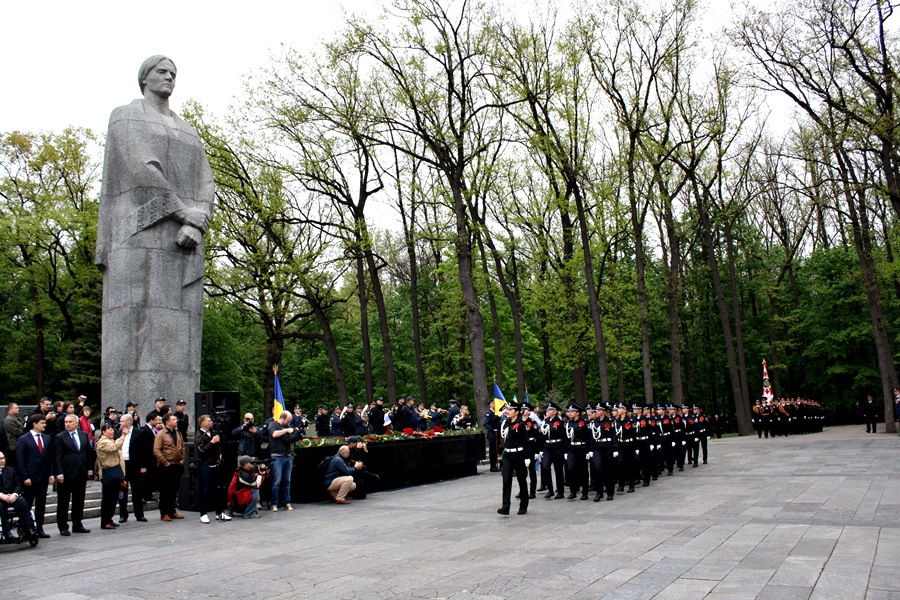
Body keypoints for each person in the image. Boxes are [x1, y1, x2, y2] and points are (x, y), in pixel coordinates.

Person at [54, 414, 93, 535]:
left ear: (77, 423)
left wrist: (90, 469)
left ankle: (77, 523)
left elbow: (88, 453)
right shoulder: (60, 437)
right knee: (63, 501)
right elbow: (57, 457)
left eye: (70, 422)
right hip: (66, 474)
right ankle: (63, 526)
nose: (67, 424)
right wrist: (59, 473)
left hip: (81, 473)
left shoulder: (83, 435)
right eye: (66, 422)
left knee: (79, 499)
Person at [16, 414, 53, 538]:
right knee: (27, 504)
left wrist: (51, 473)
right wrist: (24, 476)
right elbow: (20, 460)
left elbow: (49, 458)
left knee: (41, 504)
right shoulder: (24, 439)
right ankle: (27, 528)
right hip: (30, 478)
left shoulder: (47, 438)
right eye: (42, 423)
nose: (45, 425)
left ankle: (40, 528)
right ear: (34, 423)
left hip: (43, 476)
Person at [195, 414, 230, 523]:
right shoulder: (199, 435)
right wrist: (211, 442)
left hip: (215, 465)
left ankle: (219, 512)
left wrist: (219, 452)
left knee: (218, 489)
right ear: (203, 423)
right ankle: (203, 513)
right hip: (205, 466)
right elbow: (201, 451)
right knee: (204, 490)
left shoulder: (213, 433)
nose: (211, 422)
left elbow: (218, 446)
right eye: (209, 421)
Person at [497, 402, 529, 515]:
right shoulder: (505, 422)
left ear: (517, 412)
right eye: (507, 409)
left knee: (521, 480)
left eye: (511, 410)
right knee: (506, 479)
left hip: (519, 454)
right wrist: (499, 415)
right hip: (507, 455)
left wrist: (526, 457)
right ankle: (505, 507)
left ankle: (523, 505)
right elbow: (491, 424)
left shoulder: (521, 424)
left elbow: (525, 441)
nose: (508, 411)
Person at [152, 413, 185, 521]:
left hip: (177, 464)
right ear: (167, 422)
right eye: (173, 419)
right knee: (165, 490)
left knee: (174, 489)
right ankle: (164, 512)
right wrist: (164, 461)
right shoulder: (161, 434)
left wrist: (182, 458)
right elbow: (156, 450)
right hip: (167, 465)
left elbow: (182, 447)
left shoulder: (178, 432)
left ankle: (172, 510)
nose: (176, 420)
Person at [268, 411, 302, 511]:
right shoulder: (272, 424)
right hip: (277, 456)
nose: (288, 423)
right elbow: (274, 434)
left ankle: (287, 502)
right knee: (277, 481)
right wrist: (287, 430)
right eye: (288, 420)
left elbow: (290, 438)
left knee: (287, 481)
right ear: (282, 418)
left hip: (287, 455)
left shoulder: (287, 426)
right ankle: (274, 503)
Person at [0, 451, 37, 544]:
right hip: (1, 499)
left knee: (23, 503)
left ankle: (27, 527)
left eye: (3, 458)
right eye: (0, 459)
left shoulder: (10, 470)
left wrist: (14, 494)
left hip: (11, 496)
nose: (2, 461)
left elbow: (17, 484)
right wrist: (2, 496)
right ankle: (7, 531)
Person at [95, 423, 126, 530]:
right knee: (108, 499)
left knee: (113, 498)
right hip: (108, 472)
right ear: (103, 432)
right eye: (109, 429)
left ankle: (110, 519)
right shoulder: (102, 443)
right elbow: (114, 447)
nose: (112, 431)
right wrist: (122, 436)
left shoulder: (110, 441)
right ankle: (105, 521)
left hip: (115, 472)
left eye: (112, 429)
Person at [129, 411, 159, 512]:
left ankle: (148, 494)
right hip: (147, 457)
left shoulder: (153, 430)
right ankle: (144, 494)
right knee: (146, 477)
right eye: (155, 420)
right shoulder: (144, 430)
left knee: (151, 476)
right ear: (151, 420)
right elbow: (145, 444)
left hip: (152, 457)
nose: (157, 422)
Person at [115, 413, 136, 522]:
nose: (120, 423)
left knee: (137, 490)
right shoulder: (118, 433)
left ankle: (139, 514)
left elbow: (144, 450)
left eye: (122, 421)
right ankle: (123, 514)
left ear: (128, 422)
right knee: (122, 491)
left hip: (134, 465)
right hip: (122, 465)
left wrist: (143, 466)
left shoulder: (138, 432)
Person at [4, 402, 23, 470]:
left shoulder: (16, 418)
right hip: (14, 446)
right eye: (16, 408)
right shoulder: (9, 420)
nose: (18, 409)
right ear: (10, 409)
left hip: (18, 445)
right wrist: (23, 430)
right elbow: (17, 432)